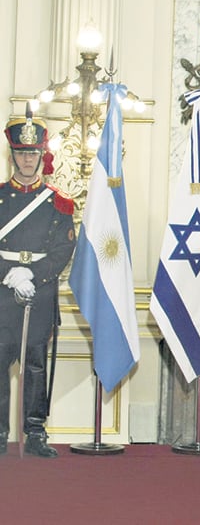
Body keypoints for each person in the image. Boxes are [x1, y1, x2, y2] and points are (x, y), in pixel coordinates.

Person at [0, 110, 75, 457]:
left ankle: (35, 433)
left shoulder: (58, 202)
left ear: (41, 155)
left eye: (32, 153)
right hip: (2, 294)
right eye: (21, 152)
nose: (27, 159)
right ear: (12, 154)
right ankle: (0, 434)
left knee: (34, 365)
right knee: (0, 363)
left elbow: (64, 248)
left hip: (40, 293)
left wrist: (34, 273)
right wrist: (8, 273)